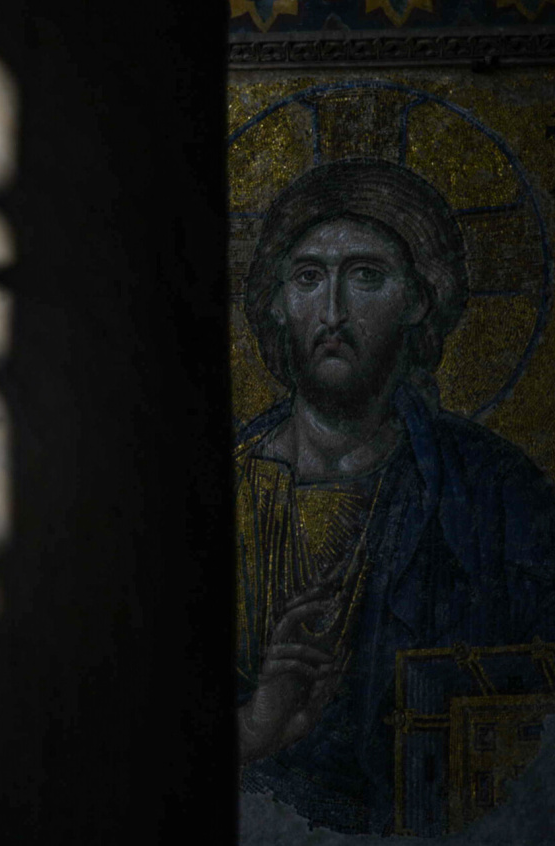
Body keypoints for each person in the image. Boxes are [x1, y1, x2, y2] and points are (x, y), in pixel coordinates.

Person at [233, 159, 555, 834]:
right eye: (308, 277)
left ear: (419, 298)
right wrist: (254, 729)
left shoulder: (495, 493)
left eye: (366, 276)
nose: (332, 312)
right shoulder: (231, 482)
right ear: (276, 301)